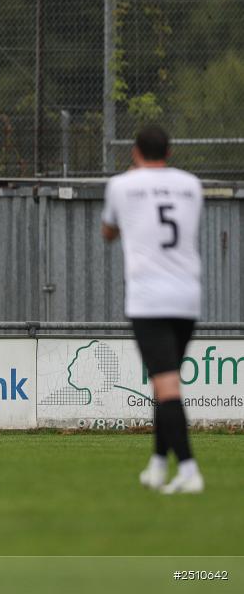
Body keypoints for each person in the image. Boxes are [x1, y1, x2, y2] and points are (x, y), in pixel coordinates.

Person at [101, 124, 205, 494]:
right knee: (165, 381)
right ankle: (158, 466)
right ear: (170, 151)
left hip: (149, 298)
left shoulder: (122, 186)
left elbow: (108, 232)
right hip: (188, 296)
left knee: (166, 384)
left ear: (134, 151)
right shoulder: (191, 185)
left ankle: (189, 470)